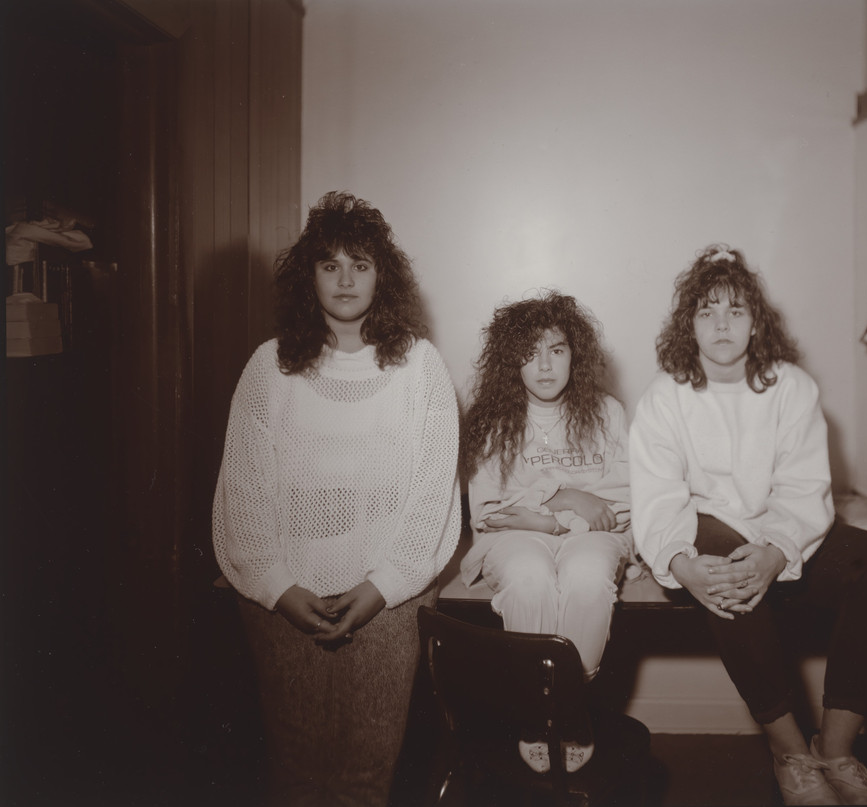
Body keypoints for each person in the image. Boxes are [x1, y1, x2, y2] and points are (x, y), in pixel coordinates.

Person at [629, 245, 867, 806]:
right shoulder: (665, 399)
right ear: (689, 325)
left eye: (735, 311)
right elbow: (658, 498)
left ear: (756, 322)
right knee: (726, 571)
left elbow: (807, 490)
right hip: (705, 528)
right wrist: (681, 564)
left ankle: (836, 751)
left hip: (785, 528)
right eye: (707, 312)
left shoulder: (792, 387)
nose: (721, 325)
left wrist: (778, 550)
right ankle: (791, 754)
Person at [211, 191, 461, 807]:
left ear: (385, 276)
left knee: (364, 778)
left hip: (387, 598)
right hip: (284, 597)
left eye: (361, 264)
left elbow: (432, 498)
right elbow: (241, 493)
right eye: (329, 264)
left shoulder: (421, 369)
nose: (346, 279)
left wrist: (379, 588)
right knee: (297, 774)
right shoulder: (268, 368)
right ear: (309, 277)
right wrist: (279, 588)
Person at [459, 292, 632, 774]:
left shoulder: (608, 413)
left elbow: (624, 502)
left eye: (556, 349)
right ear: (509, 360)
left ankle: (570, 706)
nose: (544, 365)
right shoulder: (493, 420)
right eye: (529, 352)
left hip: (592, 538)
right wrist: (568, 501)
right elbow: (490, 511)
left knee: (586, 576)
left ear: (575, 353)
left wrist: (543, 512)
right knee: (529, 577)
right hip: (515, 540)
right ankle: (534, 713)